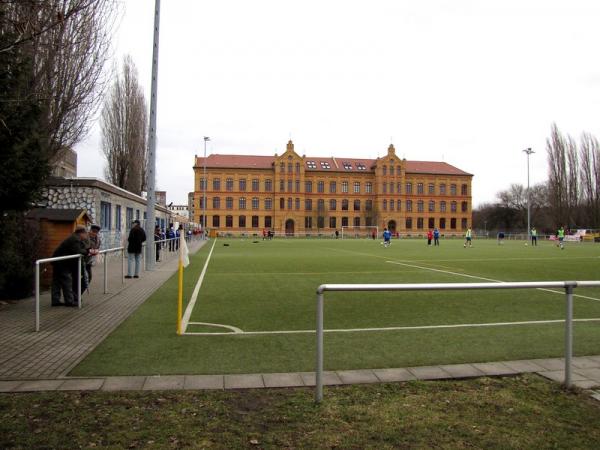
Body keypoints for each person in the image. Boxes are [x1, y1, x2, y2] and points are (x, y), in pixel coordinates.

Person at [51, 226, 89, 307]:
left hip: (59, 261)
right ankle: (69, 301)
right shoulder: (74, 239)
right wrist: (88, 251)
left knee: (57, 281)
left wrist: (87, 250)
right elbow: (78, 251)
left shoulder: (77, 238)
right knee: (66, 281)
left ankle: (55, 300)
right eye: (85, 233)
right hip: (61, 262)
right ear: (81, 233)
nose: (86, 235)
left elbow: (83, 248)